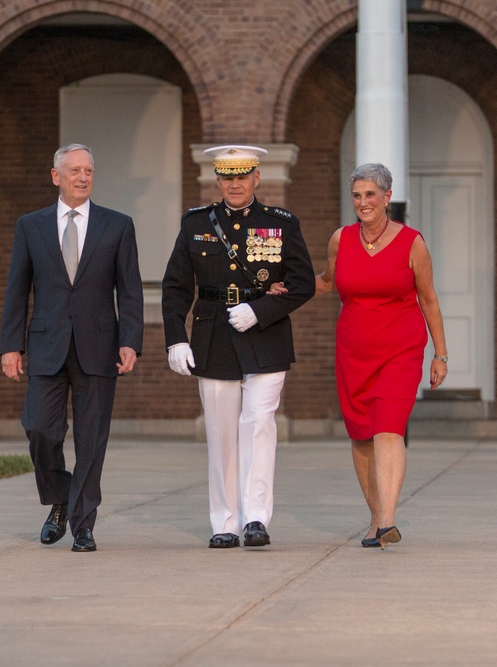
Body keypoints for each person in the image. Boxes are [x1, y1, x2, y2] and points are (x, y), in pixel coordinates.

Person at [162, 145, 315, 549]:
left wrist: (261, 309)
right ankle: (225, 522)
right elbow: (177, 287)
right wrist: (176, 337)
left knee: (259, 426)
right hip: (213, 334)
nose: (235, 183)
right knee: (222, 431)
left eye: (242, 175)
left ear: (256, 178)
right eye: (227, 176)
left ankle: (256, 519)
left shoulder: (281, 223)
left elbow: (303, 283)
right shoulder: (196, 223)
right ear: (218, 179)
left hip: (265, 334)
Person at [0, 143, 144, 553]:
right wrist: (11, 346)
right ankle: (61, 498)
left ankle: (83, 524)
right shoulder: (31, 226)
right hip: (45, 345)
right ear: (56, 176)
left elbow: (130, 290)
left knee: (91, 439)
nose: (83, 177)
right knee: (40, 429)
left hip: (99, 347)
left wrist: (130, 339)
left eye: (89, 171)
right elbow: (17, 289)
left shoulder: (117, 226)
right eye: (75, 170)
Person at [313, 162, 447, 549]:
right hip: (354, 349)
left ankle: (388, 519)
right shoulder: (341, 239)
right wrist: (281, 287)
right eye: (357, 195)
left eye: (370, 194)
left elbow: (429, 299)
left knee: (388, 427)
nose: (363, 202)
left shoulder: (412, 243)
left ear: (388, 197)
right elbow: (326, 282)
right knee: (361, 434)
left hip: (400, 349)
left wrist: (441, 354)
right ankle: (376, 520)